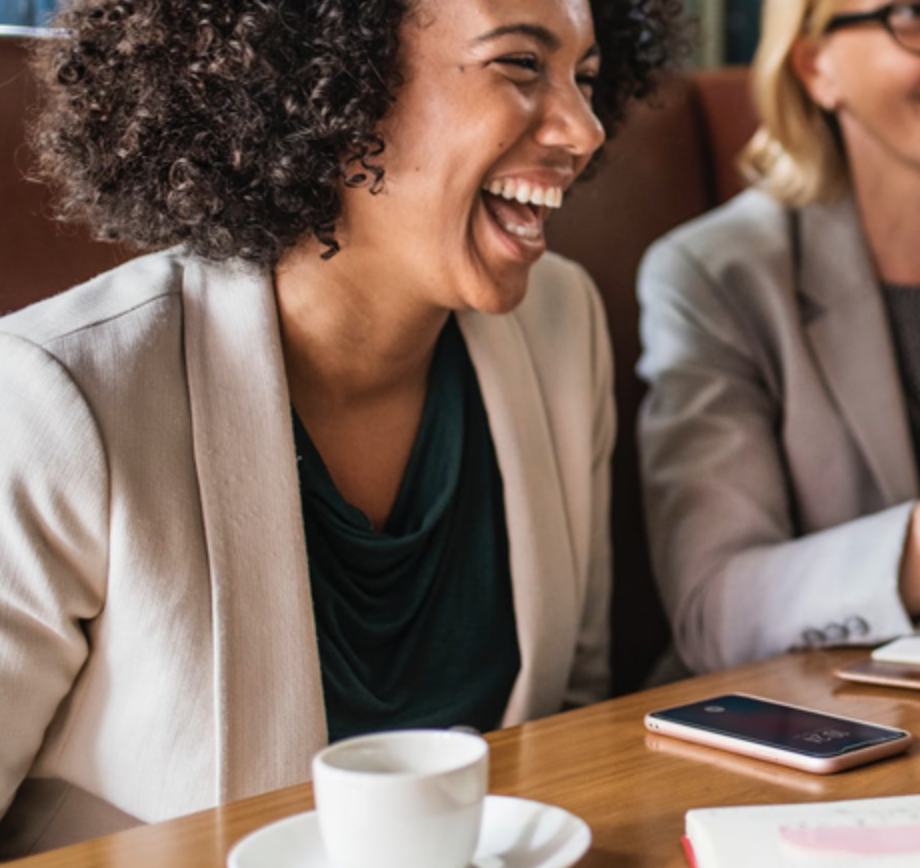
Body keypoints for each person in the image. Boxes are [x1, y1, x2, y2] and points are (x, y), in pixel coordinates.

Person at [0, 0, 679, 856]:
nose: (583, 131)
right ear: (328, 87)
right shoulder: (57, 397)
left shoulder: (560, 325)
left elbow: (572, 715)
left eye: (585, 78)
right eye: (519, 64)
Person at [638, 0, 920, 679]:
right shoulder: (716, 277)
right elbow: (714, 611)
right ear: (816, 65)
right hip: (820, 742)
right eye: (911, 16)